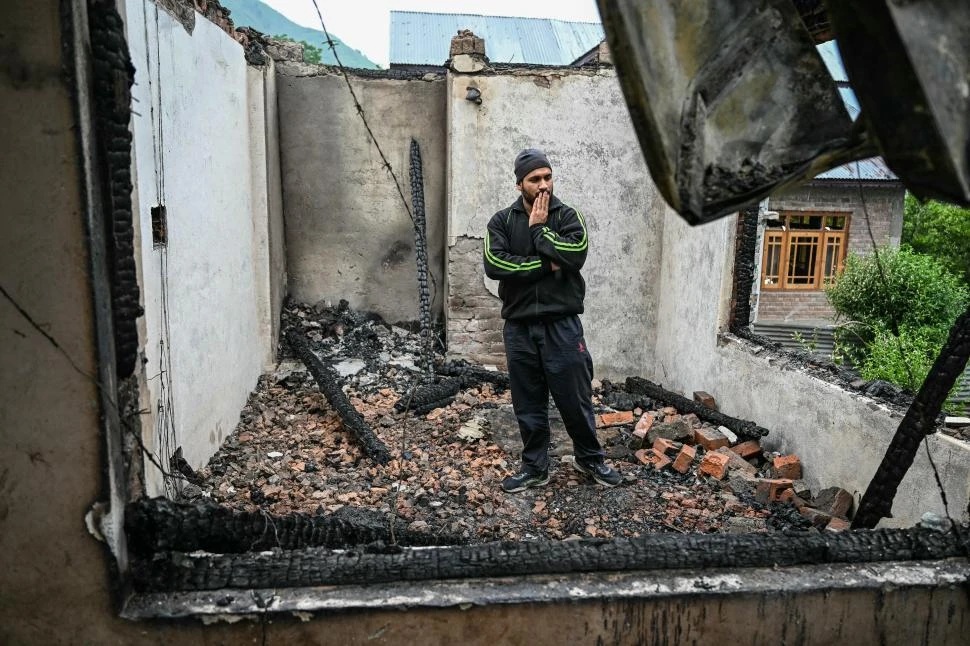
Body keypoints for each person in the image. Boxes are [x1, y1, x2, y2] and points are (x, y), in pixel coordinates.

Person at [483, 148, 622, 492]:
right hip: (519, 327)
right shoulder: (501, 222)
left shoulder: (567, 215)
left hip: (562, 326)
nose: (543, 184)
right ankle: (534, 468)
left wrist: (540, 231)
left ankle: (590, 460)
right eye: (535, 179)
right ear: (520, 184)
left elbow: (575, 255)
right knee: (528, 403)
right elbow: (495, 265)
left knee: (575, 399)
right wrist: (547, 264)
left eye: (548, 176)